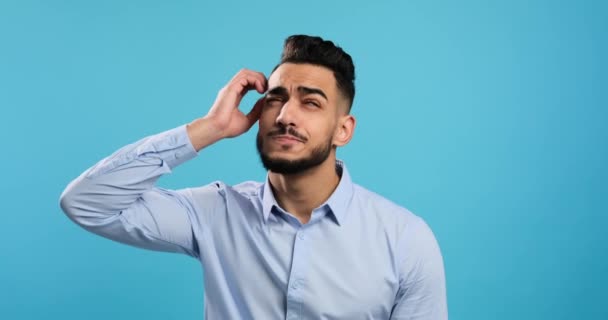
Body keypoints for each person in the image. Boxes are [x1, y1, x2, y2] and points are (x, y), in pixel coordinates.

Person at [59, 35, 447, 320]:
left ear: (343, 130)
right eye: (276, 98)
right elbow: (86, 203)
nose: (285, 116)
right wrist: (209, 128)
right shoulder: (215, 213)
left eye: (310, 102)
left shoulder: (405, 239)